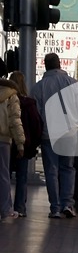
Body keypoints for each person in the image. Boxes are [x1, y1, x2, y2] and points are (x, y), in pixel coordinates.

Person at [31, 53, 78, 219]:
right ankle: (68, 204)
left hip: (48, 134)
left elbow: (35, 114)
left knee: (51, 170)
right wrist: (76, 122)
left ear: (46, 65)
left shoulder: (38, 87)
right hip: (68, 133)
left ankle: (55, 208)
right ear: (59, 64)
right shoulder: (73, 84)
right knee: (68, 168)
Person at [10, 71, 43, 218]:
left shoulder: (6, 101)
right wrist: (33, 144)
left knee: (5, 175)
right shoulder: (30, 103)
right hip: (25, 145)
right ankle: (20, 208)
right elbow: (37, 125)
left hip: (8, 143)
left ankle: (4, 207)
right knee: (22, 177)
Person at [0, 76, 25, 222]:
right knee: (3, 176)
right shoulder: (11, 95)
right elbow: (15, 120)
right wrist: (20, 143)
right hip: (3, 140)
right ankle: (5, 210)